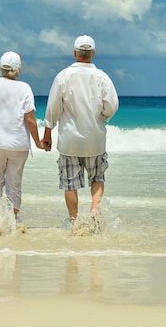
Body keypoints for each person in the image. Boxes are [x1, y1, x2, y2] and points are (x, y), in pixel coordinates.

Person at [41, 35, 119, 224]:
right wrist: (103, 117)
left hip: (69, 141)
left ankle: (74, 221)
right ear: (93, 53)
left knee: (70, 184)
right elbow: (113, 105)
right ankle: (94, 211)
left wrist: (47, 133)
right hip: (95, 139)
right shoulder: (102, 76)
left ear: (75, 53)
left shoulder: (63, 76)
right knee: (97, 178)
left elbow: (53, 108)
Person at [0, 51, 44, 232]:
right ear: (18, 69)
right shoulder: (25, 88)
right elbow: (30, 120)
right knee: (14, 183)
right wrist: (38, 141)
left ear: (0, 67)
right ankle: (11, 222)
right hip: (18, 144)